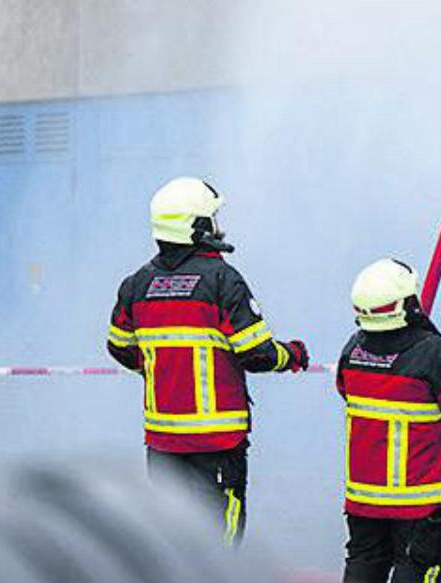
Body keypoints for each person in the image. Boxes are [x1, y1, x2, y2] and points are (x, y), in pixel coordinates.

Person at [105, 177, 308, 544]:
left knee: (172, 537)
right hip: (216, 440)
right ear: (197, 227)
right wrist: (291, 355)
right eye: (212, 219)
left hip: (164, 440)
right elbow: (256, 354)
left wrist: (160, 368)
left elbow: (119, 347)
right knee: (219, 537)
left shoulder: (136, 285)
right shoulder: (221, 281)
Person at [337, 258, 441, 583]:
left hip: (363, 500)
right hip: (415, 501)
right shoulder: (431, 354)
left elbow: (347, 393)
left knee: (362, 576)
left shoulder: (352, 352)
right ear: (408, 302)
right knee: (414, 575)